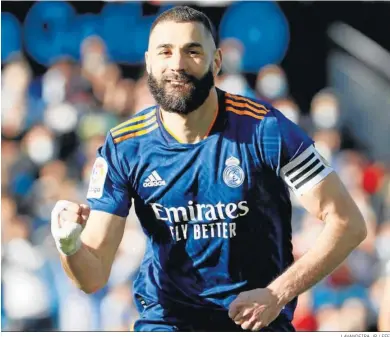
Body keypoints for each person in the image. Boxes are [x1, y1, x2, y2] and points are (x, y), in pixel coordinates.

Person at [51, 6, 367, 332]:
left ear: (216, 62)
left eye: (192, 51)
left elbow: (348, 223)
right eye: (165, 52)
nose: (177, 64)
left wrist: (277, 293)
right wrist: (69, 245)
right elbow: (93, 276)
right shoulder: (123, 146)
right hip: (167, 324)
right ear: (148, 62)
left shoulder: (268, 130)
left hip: (255, 324)